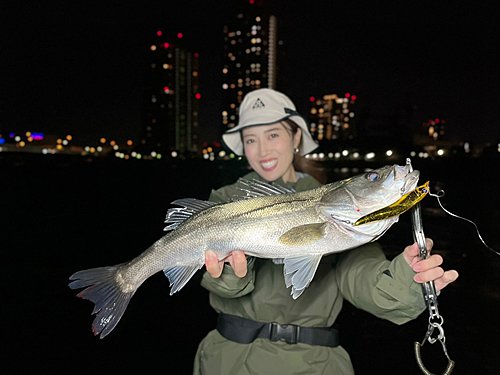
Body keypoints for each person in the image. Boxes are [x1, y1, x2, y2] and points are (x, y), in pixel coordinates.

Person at [193, 88, 459, 375]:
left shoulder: (341, 204)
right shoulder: (225, 201)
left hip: (314, 366)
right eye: (250, 139)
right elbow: (221, 285)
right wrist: (230, 272)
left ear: (296, 138)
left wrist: (408, 277)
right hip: (228, 362)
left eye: (273, 135)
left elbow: (360, 274)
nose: (263, 150)